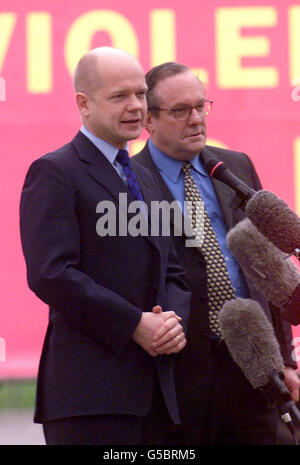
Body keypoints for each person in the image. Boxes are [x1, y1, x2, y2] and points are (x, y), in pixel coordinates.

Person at [19, 48, 191, 445]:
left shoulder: (145, 177)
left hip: (157, 395)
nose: (135, 106)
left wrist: (170, 325)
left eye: (141, 94)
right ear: (84, 103)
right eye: (119, 97)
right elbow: (52, 273)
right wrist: (134, 324)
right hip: (89, 398)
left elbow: (173, 271)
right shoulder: (55, 171)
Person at [134, 61, 300, 445]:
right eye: (180, 111)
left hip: (253, 364)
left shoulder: (234, 166)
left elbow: (268, 271)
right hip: (178, 373)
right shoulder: (130, 181)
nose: (195, 120)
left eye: (200, 106)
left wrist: (286, 361)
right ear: (149, 119)